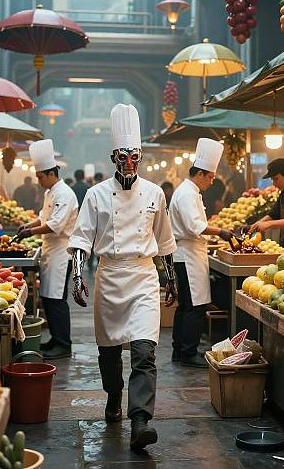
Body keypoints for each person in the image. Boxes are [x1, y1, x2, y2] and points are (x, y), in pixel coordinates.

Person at [68, 104, 177, 451]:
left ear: (140, 156)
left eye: (134, 156)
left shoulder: (155, 193)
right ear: (113, 156)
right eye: (123, 156)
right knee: (109, 351)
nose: (129, 162)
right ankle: (114, 396)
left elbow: (164, 241)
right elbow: (81, 239)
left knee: (145, 351)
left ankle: (140, 421)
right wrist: (76, 277)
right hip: (110, 276)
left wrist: (171, 279)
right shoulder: (97, 195)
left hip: (144, 276)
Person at [169, 139, 233, 368]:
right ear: (202, 174)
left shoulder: (190, 191)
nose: (213, 181)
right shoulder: (187, 193)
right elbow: (194, 226)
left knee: (187, 305)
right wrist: (222, 231)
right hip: (187, 256)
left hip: (190, 254)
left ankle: (180, 350)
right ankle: (187, 352)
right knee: (195, 307)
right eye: (212, 176)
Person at [16, 140, 79, 359]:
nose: (38, 181)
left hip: (62, 252)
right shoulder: (50, 192)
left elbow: (55, 225)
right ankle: (55, 338)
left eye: (40, 177)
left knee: (57, 300)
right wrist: (29, 225)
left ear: (52, 173)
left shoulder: (65, 194)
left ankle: (64, 344)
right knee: (48, 298)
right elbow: (43, 218)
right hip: (49, 250)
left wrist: (29, 234)